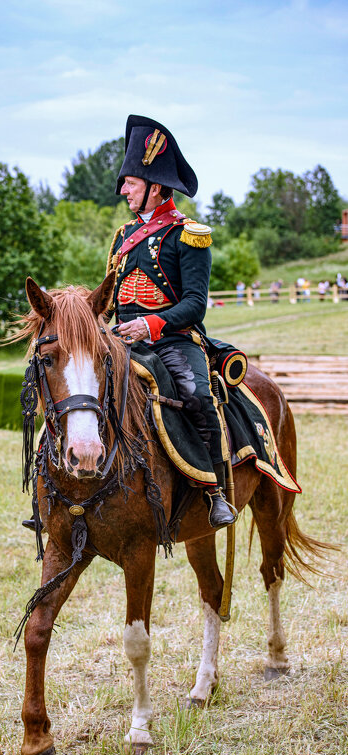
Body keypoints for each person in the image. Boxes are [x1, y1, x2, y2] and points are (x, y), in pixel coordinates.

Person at [105, 114, 237, 529]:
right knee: (74, 388)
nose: (122, 189)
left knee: (197, 396)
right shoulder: (123, 235)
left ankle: (214, 490)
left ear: (154, 187)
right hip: (122, 340)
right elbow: (109, 296)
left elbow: (196, 305)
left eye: (130, 182)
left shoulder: (189, 235)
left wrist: (151, 325)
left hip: (173, 341)